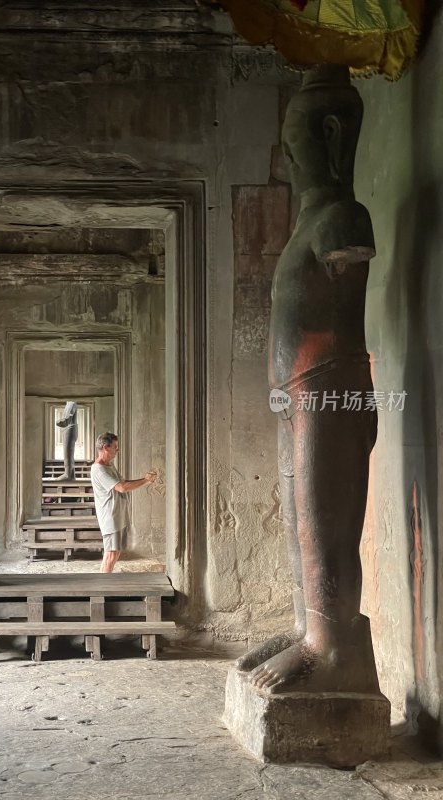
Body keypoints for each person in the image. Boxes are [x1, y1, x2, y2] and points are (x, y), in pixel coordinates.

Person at [236, 65, 381, 695]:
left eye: (295, 147)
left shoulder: (342, 217)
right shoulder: (311, 223)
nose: (291, 163)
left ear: (329, 136)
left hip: (328, 392)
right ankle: (307, 630)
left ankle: (332, 648)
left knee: (326, 523)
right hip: (299, 395)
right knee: (299, 519)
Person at [91, 432, 156, 573]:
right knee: (110, 554)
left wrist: (145, 480)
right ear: (105, 447)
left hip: (118, 516)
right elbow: (121, 488)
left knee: (116, 553)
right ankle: (102, 590)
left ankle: (104, 586)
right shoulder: (99, 469)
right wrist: (145, 480)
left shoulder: (109, 465)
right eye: (115, 446)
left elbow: (123, 482)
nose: (118, 450)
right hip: (110, 518)